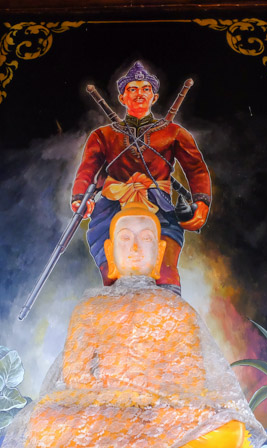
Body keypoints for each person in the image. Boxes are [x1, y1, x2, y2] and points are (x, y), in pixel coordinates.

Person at [0, 203, 265, 448]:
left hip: (159, 412)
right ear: (110, 252)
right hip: (108, 410)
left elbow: (190, 380)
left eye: (145, 239)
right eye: (125, 239)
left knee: (225, 431)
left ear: (159, 253)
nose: (135, 248)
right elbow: (76, 375)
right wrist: (120, 396)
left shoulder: (177, 310)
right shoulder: (91, 308)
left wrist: (150, 396)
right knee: (46, 422)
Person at [71, 61, 211, 296]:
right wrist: (79, 198)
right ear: (122, 97)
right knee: (111, 268)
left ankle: (169, 310)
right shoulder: (102, 135)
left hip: (159, 203)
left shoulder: (174, 133)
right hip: (113, 205)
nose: (140, 94)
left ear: (154, 97)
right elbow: (87, 170)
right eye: (133, 89)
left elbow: (196, 168)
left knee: (165, 268)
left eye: (146, 89)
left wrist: (202, 202)